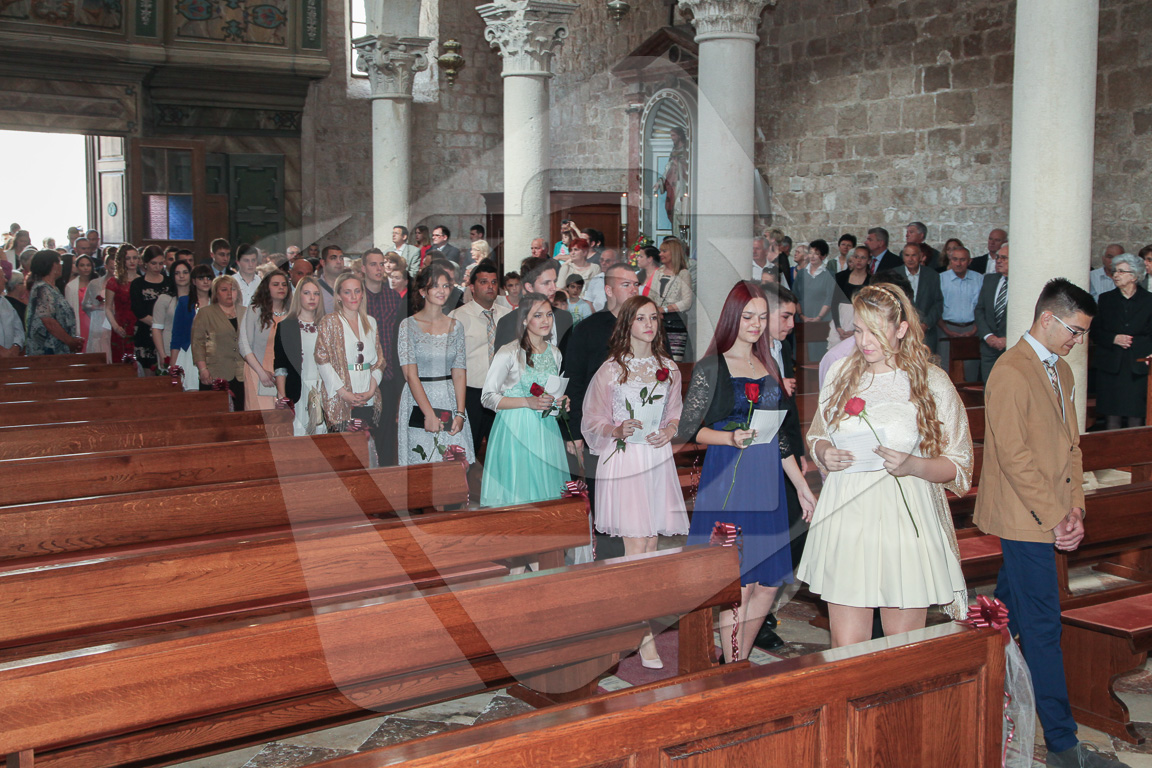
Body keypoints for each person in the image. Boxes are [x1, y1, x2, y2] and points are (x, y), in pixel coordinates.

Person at [973, 279, 1128, 768]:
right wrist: (1057, 515)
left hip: (1051, 513)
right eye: (1074, 331)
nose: (1077, 341)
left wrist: (1076, 506)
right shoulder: (1010, 371)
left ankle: (970, 680)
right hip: (1023, 517)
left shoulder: (1061, 369)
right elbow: (1014, 457)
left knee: (1002, 616)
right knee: (1043, 627)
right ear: (1047, 318)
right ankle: (1063, 745)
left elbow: (1071, 446)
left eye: (1083, 333)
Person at [798, 284, 971, 647]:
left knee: (903, 648)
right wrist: (824, 452)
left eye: (875, 332)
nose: (864, 342)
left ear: (902, 329)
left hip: (903, 518)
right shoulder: (841, 372)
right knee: (847, 647)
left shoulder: (931, 381)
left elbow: (959, 464)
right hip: (848, 514)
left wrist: (914, 465)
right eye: (859, 330)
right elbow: (817, 435)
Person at [679, 281, 815, 662]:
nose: (756, 324)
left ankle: (736, 659)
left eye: (761, 317)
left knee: (768, 583)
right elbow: (687, 429)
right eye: (748, 317)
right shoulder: (713, 366)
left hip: (767, 480)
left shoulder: (768, 365)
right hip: (729, 479)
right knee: (738, 582)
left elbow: (779, 437)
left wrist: (801, 486)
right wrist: (729, 437)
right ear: (731, 318)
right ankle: (733, 665)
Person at [581, 295, 687, 669]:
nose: (649, 324)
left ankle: (635, 624)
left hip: (656, 459)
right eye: (641, 318)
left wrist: (669, 430)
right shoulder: (611, 370)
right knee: (636, 547)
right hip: (625, 460)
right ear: (627, 324)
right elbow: (592, 420)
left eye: (653, 318)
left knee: (652, 545)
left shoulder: (668, 368)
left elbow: (675, 413)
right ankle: (642, 636)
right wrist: (617, 428)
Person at [481, 292, 571, 507]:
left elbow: (552, 391)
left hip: (547, 430)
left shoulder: (555, 353)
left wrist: (561, 402)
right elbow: (487, 397)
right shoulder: (509, 352)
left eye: (549, 314)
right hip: (516, 429)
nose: (545, 320)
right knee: (519, 492)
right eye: (537, 315)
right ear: (524, 319)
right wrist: (526, 402)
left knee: (548, 494)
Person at [397, 264, 473, 466]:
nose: (442, 291)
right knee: (422, 462)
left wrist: (460, 413)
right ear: (423, 291)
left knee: (454, 463)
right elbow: (410, 375)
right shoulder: (408, 326)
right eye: (435, 286)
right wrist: (429, 414)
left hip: (449, 398)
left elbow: (459, 372)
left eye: (446, 286)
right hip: (419, 400)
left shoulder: (456, 326)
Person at [449, 259, 510, 459]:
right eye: (484, 282)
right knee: (467, 451)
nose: (490, 287)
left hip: (502, 392)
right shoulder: (457, 317)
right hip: (471, 394)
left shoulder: (509, 316)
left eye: (493, 282)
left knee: (501, 453)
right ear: (472, 287)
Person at [315, 272, 386, 436]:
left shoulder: (371, 322)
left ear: (362, 294)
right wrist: (344, 393)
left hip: (368, 396)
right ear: (339, 296)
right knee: (343, 448)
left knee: (366, 447)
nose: (353, 297)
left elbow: (379, 362)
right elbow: (322, 360)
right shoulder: (329, 322)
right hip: (339, 397)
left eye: (357, 291)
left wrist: (371, 390)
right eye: (347, 292)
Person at [1092, 253, 1152, 430]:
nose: (1115, 275)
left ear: (1134, 276)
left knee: (1136, 416)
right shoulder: (1106, 299)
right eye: (1115, 271)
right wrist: (1114, 338)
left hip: (1138, 366)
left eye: (1121, 271)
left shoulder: (1149, 301)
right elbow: (1095, 331)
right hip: (1111, 365)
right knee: (1112, 417)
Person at [362, 248, 404, 464]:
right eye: (373, 264)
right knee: (363, 431)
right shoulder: (357, 297)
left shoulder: (393, 297)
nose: (379, 268)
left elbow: (399, 336)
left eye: (381, 264)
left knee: (387, 431)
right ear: (363, 268)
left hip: (388, 375)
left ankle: (387, 475)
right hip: (363, 376)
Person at [274, 276, 328, 436]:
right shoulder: (286, 326)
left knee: (324, 440)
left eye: (316, 294)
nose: (312, 298)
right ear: (298, 296)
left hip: (323, 389)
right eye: (307, 293)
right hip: (298, 390)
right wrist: (282, 397)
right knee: (299, 439)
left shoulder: (328, 325)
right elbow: (280, 366)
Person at [493, 256, 573, 349]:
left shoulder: (565, 318)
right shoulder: (509, 322)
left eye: (554, 281)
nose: (554, 288)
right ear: (529, 287)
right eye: (546, 283)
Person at [239, 270, 292, 410]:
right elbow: (244, 345)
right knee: (262, 415)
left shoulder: (292, 313)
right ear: (266, 288)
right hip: (258, 370)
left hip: (285, 373)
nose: (281, 288)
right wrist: (261, 372)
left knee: (284, 416)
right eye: (275, 284)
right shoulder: (255, 310)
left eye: (284, 284)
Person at [192, 276, 246, 410]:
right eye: (224, 290)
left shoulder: (246, 312)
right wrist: (203, 369)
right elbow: (198, 343)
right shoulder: (205, 313)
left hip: (242, 373)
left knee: (241, 414)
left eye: (233, 289)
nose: (229, 293)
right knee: (215, 412)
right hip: (215, 372)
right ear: (216, 293)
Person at [24, 250, 82, 355]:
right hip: (47, 349)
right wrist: (70, 341)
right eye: (60, 262)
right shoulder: (42, 289)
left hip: (58, 347)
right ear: (54, 265)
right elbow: (48, 321)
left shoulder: (52, 288)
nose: (62, 266)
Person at [130, 246, 177, 372]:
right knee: (148, 372)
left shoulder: (170, 282)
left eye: (161, 264)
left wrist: (166, 326)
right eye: (153, 263)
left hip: (168, 333)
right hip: (146, 333)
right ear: (145, 263)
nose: (157, 267)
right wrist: (159, 325)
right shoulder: (137, 284)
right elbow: (138, 311)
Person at [168, 264, 213, 391]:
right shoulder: (184, 302)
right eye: (201, 278)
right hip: (189, 353)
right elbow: (177, 335)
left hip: (213, 355)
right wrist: (173, 366)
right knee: (190, 393)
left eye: (209, 278)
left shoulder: (217, 303)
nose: (205, 281)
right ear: (193, 281)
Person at [647, 238, 693, 360]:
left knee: (674, 361)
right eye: (660, 251)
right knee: (656, 359)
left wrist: (664, 309)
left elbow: (687, 302)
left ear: (674, 253)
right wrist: (654, 311)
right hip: (658, 322)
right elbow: (651, 296)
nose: (660, 254)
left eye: (664, 251)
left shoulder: (683, 273)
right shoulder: (658, 272)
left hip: (675, 323)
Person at [896, 242, 944, 355]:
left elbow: (938, 303)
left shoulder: (932, 275)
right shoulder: (895, 275)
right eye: (907, 255)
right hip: (901, 332)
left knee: (927, 363)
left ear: (921, 256)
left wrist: (926, 324)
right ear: (903, 257)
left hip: (926, 333)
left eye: (914, 255)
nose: (910, 259)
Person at [974, 243, 1010, 381]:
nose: (999, 261)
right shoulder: (989, 280)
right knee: (989, 386)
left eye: (1004, 258)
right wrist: (988, 336)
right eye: (998, 257)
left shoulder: (1022, 284)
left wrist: (1008, 339)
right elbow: (980, 310)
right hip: (989, 347)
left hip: (1011, 347)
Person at [151, 259, 191, 370]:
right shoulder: (164, 299)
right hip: (168, 348)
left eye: (185, 272)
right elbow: (156, 329)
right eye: (177, 273)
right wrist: (162, 354)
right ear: (172, 276)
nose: (181, 276)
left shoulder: (196, 299)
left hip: (191, 349)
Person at [829, 245, 871, 350]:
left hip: (860, 320)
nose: (859, 260)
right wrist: (838, 327)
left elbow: (870, 308)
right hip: (840, 320)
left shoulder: (871, 281)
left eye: (863, 258)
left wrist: (855, 330)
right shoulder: (841, 277)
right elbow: (834, 302)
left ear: (869, 261)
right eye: (856, 257)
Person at [105, 243, 140, 365]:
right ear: (122, 260)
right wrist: (115, 326)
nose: (132, 261)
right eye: (128, 258)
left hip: (139, 326)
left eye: (135, 258)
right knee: (122, 363)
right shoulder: (114, 281)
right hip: (121, 327)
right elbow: (108, 308)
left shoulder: (142, 280)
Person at [64, 254, 96, 346]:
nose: (86, 268)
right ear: (77, 267)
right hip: (80, 321)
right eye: (82, 265)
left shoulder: (97, 283)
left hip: (95, 319)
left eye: (88, 265)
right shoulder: (71, 286)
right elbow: (69, 311)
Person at [0, 267, 24, 356]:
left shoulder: (5, 302)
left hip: (10, 357)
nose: (5, 280)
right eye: (2, 277)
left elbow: (18, 329)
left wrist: (16, 346)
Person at [316, 245, 346, 313]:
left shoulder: (349, 286)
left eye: (341, 258)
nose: (339, 262)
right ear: (323, 262)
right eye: (333, 258)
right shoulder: (315, 288)